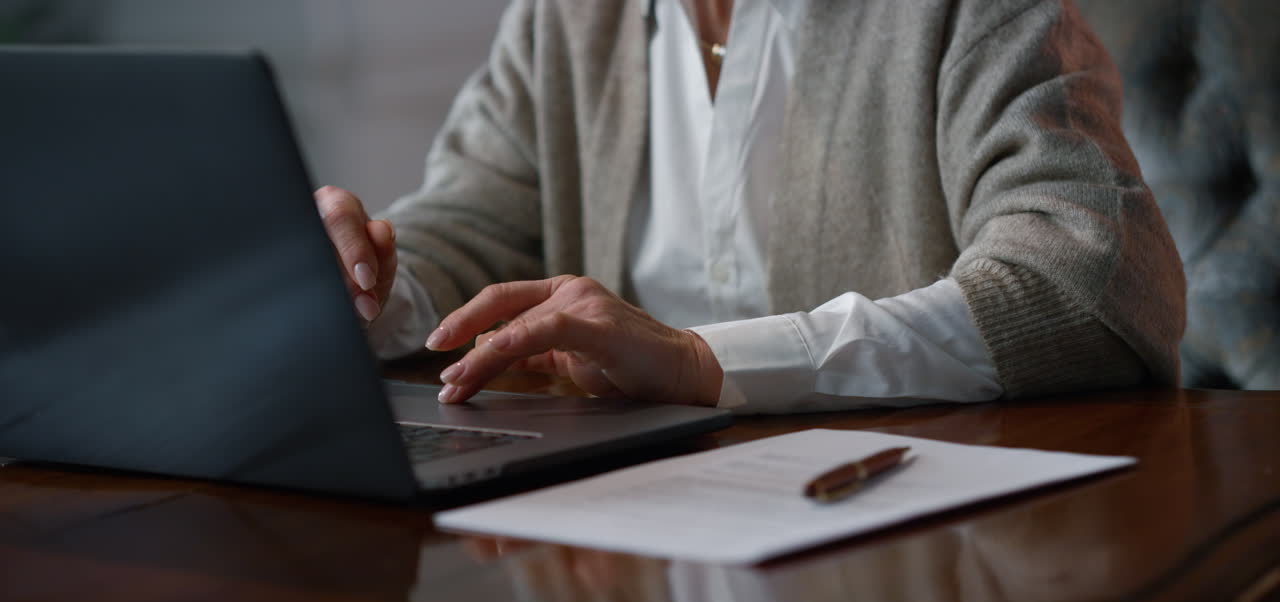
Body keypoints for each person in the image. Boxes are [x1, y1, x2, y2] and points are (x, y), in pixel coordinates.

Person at [314, 0, 1185, 414]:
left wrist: (701, 361)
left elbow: (1087, 281)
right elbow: (469, 222)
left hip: (920, 537)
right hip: (624, 531)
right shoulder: (565, 19)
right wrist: (362, 287)